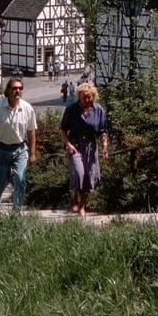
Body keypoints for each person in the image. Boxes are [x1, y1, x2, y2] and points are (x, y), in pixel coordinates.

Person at [0, 77, 37, 213]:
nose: (17, 91)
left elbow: (31, 133)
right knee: (1, 181)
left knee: (20, 178)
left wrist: (32, 153)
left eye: (20, 88)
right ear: (8, 90)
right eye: (14, 88)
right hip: (1, 148)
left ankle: (16, 210)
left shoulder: (27, 108)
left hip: (20, 149)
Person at [59, 82, 109, 218]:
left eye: (89, 97)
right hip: (75, 144)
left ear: (93, 96)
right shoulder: (71, 109)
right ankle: (73, 195)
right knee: (78, 172)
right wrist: (68, 144)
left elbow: (103, 131)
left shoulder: (98, 110)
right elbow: (63, 130)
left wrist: (104, 146)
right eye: (83, 97)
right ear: (79, 97)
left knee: (89, 176)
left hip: (91, 146)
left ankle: (82, 206)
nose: (86, 100)